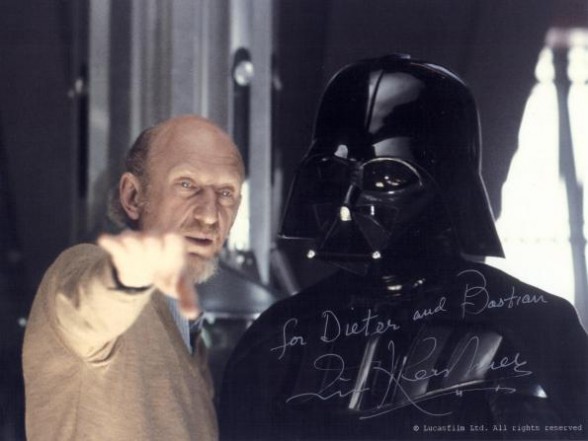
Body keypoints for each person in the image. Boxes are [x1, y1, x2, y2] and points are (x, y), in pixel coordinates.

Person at [219, 55, 588, 440]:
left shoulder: (533, 326)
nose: (348, 200)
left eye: (385, 176)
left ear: (449, 187)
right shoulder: (276, 336)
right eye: (333, 174)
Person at [22, 115, 244, 441]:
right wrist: (127, 278)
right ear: (133, 197)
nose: (210, 215)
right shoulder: (83, 266)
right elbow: (88, 310)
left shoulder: (187, 326)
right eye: (187, 185)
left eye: (226, 192)